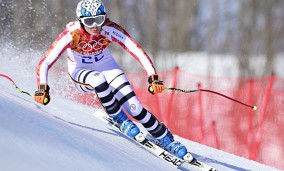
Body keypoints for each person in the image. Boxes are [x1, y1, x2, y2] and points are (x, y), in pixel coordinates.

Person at [34, 0, 188, 158]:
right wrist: (42, 88)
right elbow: (45, 62)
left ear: (105, 18)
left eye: (99, 20)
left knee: (135, 108)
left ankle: (165, 138)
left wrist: (153, 77)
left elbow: (136, 50)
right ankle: (118, 117)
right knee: (97, 79)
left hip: (107, 66)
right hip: (80, 71)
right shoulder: (71, 33)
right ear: (80, 20)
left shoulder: (109, 28)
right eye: (89, 21)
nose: (94, 25)